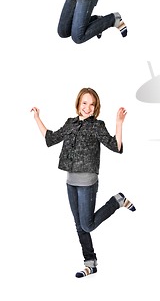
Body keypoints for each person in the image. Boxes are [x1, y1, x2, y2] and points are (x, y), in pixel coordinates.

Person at [31, 88, 136, 278]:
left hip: (88, 182)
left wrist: (119, 123)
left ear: (96, 107)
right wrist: (37, 118)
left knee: (87, 225)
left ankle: (116, 201)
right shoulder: (70, 123)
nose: (87, 107)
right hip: (70, 182)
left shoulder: (97, 126)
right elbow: (51, 138)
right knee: (79, 226)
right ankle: (90, 263)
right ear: (78, 103)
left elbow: (116, 146)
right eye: (84, 103)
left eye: (92, 104)